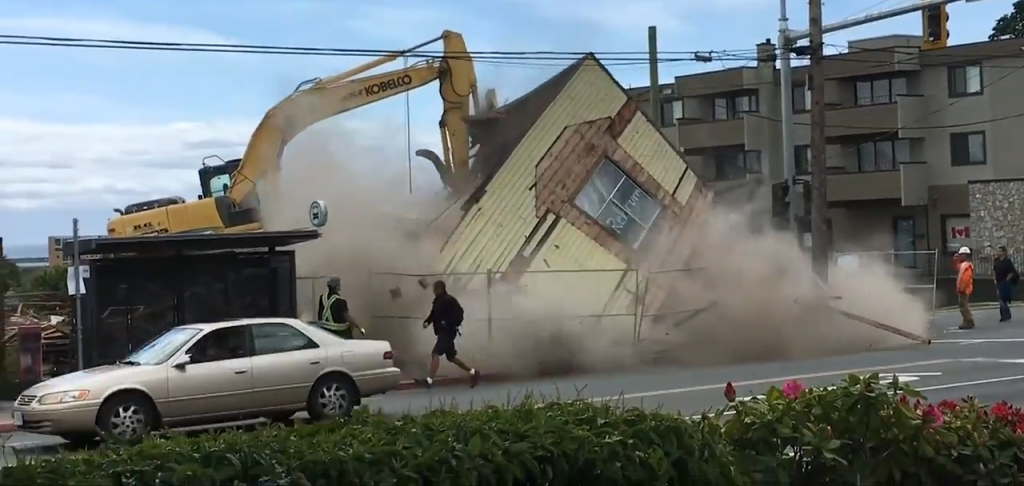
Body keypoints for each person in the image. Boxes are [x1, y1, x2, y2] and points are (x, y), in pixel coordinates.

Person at [416, 280, 480, 388]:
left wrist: (449, 323)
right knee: (451, 357)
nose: (433, 291)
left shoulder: (449, 300)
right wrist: (427, 321)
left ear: (440, 289)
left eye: (435, 289)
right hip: (442, 332)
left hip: (448, 332)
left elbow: (460, 313)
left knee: (435, 353)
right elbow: (433, 314)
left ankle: (429, 380)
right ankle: (473, 372)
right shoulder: (437, 301)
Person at [993, 245, 1018, 322]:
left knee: (1003, 299)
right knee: (1000, 298)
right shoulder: (996, 260)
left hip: (1004, 282)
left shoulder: (1007, 261)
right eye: (997, 251)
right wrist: (994, 279)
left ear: (1004, 252)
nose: (998, 252)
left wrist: (1007, 280)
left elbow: (1011, 272)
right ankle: (1006, 314)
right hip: (998, 281)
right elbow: (994, 270)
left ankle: (1005, 315)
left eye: (1000, 251)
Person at [955, 246, 975, 330]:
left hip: (964, 289)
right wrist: (956, 260)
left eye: (961, 255)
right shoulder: (964, 265)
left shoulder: (966, 266)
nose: (959, 256)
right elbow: (957, 267)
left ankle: (968, 321)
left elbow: (966, 278)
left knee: (963, 305)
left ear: (965, 255)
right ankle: (967, 320)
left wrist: (962, 288)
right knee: (963, 305)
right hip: (963, 288)